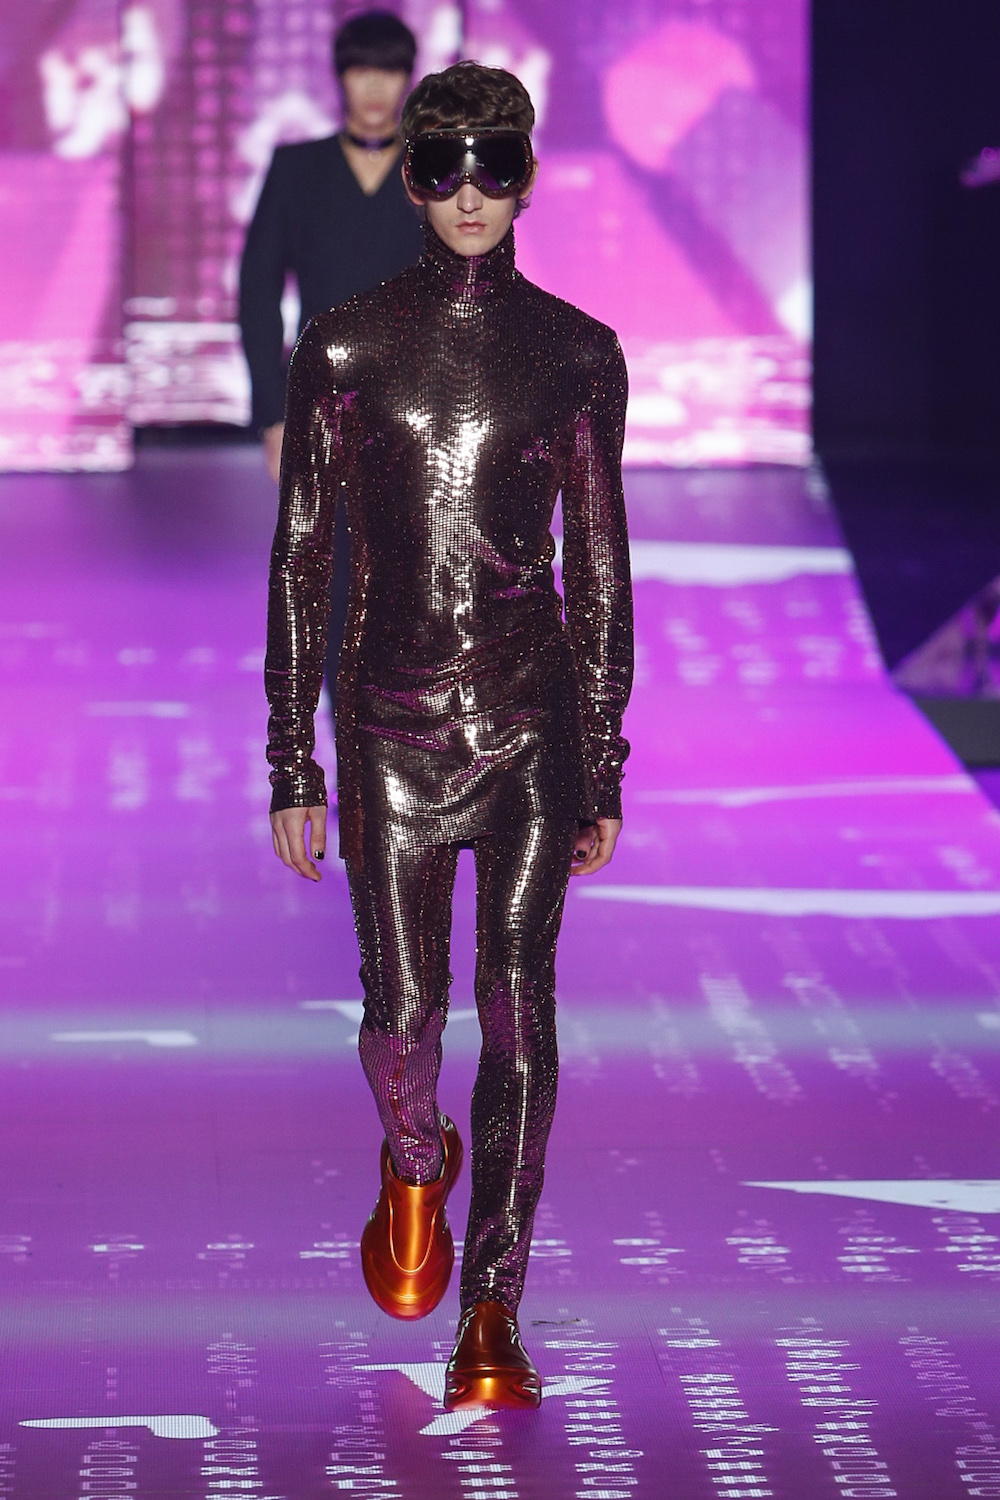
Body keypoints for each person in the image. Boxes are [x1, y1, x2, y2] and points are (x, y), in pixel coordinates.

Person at [265, 60, 632, 1411]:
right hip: (387, 725)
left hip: (530, 724)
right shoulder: (347, 345)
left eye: (494, 164)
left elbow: (600, 569)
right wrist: (291, 755)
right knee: (404, 1018)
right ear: (412, 180)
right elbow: (303, 556)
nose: (469, 191)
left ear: (527, 177)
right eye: (442, 165)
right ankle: (414, 1157)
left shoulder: (578, 353)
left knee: (520, 1012)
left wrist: (602, 753)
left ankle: (493, 1310)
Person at [240, 10, 424, 728]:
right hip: (325, 405)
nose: (374, 88)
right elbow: (258, 292)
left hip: (423, 404)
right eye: (360, 71)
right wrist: (272, 414)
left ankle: (409, 735)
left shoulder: (433, 172)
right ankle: (352, 732)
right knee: (332, 575)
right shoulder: (298, 169)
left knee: (422, 569)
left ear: (407, 79)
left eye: (388, 71)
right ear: (340, 77)